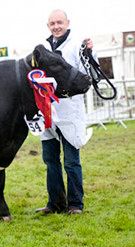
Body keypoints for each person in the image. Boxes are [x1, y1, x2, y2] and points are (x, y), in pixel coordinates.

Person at [35, 9, 94, 215]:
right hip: (48, 111)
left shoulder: (78, 45)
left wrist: (90, 53)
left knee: (71, 161)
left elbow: (87, 76)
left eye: (59, 22)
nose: (56, 27)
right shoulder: (42, 48)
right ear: (48, 26)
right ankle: (55, 203)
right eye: (52, 23)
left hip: (69, 109)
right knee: (50, 160)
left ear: (68, 22)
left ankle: (75, 204)